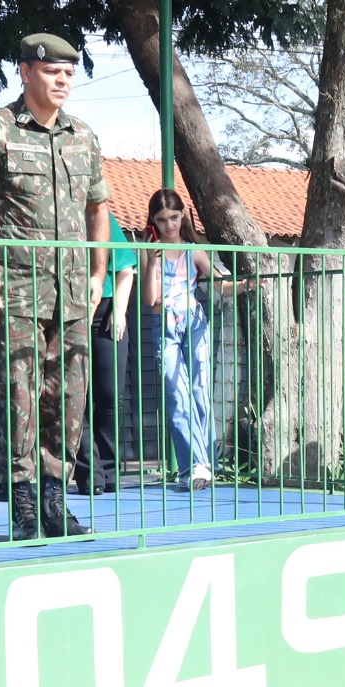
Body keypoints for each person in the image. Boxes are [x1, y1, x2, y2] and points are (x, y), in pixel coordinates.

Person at [0, 34, 112, 541]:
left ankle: (56, 500)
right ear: (25, 71)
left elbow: (99, 207)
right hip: (15, 289)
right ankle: (22, 504)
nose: (62, 81)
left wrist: (99, 271)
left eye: (69, 74)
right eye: (52, 71)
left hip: (75, 294)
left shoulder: (84, 135)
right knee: (19, 397)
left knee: (68, 400)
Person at [139, 189, 254, 490]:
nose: (169, 226)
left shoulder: (193, 250)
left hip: (193, 322)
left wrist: (245, 285)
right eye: (162, 220)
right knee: (177, 397)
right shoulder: (149, 250)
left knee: (200, 390)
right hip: (162, 322)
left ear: (183, 216)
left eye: (174, 218)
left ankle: (204, 465)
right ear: (153, 221)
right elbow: (150, 298)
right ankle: (193, 465)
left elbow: (220, 287)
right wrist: (153, 261)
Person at [73, 210, 138, 496]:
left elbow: (126, 269)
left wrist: (120, 311)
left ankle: (109, 470)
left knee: (111, 394)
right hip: (69, 310)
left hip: (106, 310)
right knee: (76, 396)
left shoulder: (102, 217)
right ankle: (90, 474)